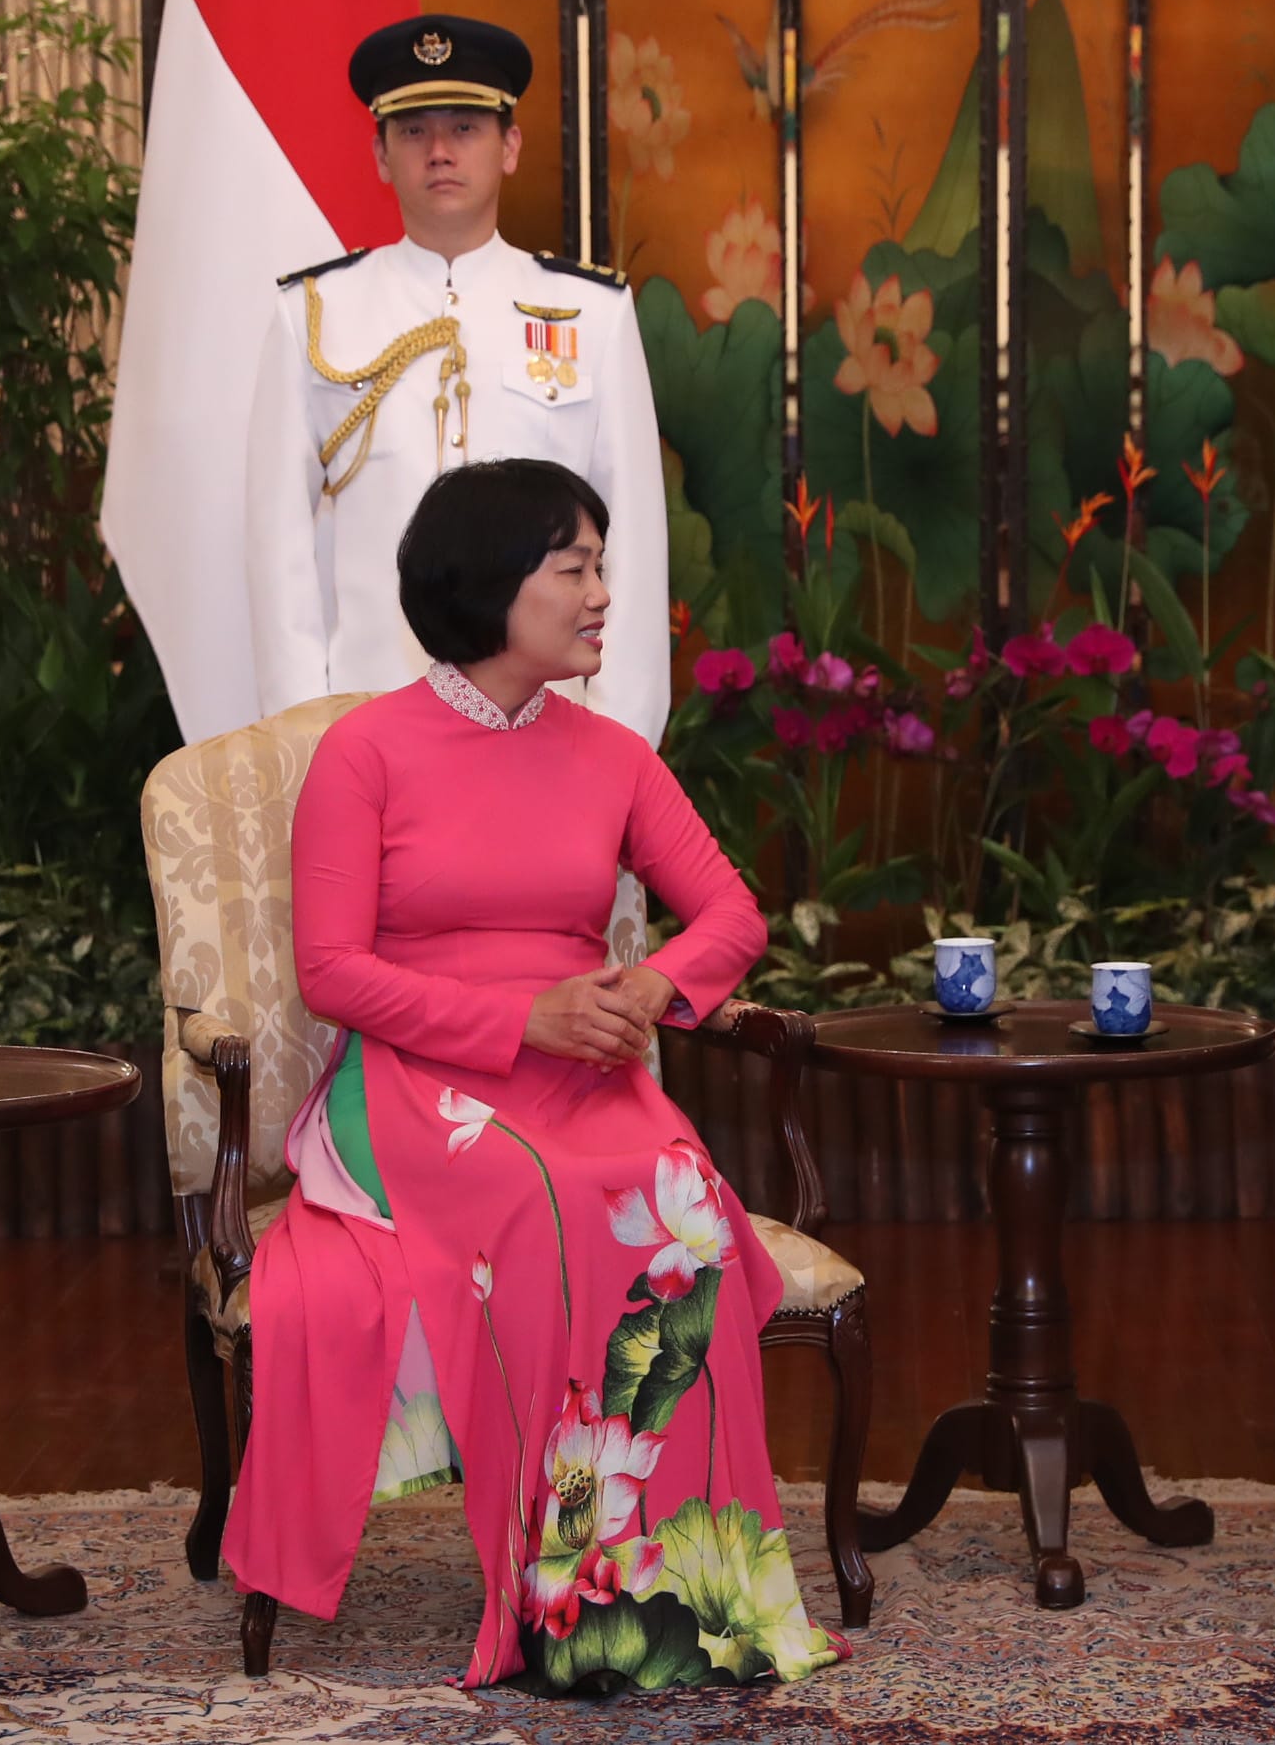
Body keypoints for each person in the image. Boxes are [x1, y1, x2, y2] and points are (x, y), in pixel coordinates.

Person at [222, 459, 845, 1692]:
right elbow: (333, 973)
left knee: (678, 1201)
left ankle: (695, 1597)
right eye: (575, 568)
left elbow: (731, 913)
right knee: (547, 1202)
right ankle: (566, 1606)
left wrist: (652, 988)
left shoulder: (610, 755)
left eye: (600, 566)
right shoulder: (364, 753)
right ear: (490, 586)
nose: (603, 594)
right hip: (420, 1079)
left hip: (588, 1066)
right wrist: (521, 1019)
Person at [243, 14, 668, 747]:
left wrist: (617, 744)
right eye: (413, 131)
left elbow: (631, 538)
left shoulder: (591, 315)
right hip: (369, 722)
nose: (439, 151)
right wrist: (305, 739)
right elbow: (277, 548)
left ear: (510, 146)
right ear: (380, 154)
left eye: (465, 128)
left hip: (550, 726)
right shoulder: (315, 315)